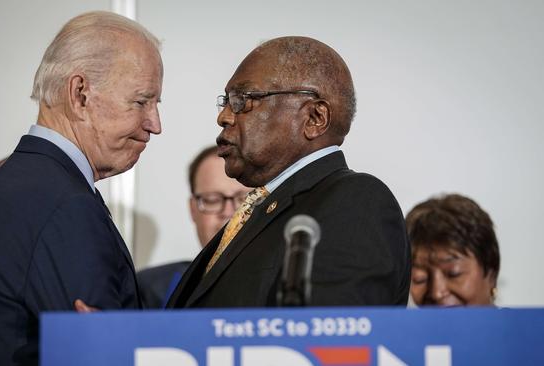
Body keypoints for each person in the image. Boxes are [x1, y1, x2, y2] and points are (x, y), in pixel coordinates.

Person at [0, 11, 162, 365]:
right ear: (79, 94)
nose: (155, 124)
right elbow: (105, 358)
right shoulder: (64, 206)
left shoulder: (21, 182)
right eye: (141, 101)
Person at [167, 36, 410, 308]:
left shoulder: (355, 202)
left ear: (315, 118)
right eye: (226, 100)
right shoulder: (261, 208)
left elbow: (332, 340)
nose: (224, 116)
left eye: (244, 99)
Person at [137, 146, 250, 308]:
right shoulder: (150, 290)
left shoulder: (290, 281)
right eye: (212, 199)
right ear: (193, 209)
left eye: (243, 199)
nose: (229, 212)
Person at [406, 194, 500, 306]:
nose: (436, 293)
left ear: (492, 274)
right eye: (420, 279)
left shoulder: (523, 323)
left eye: (454, 274)